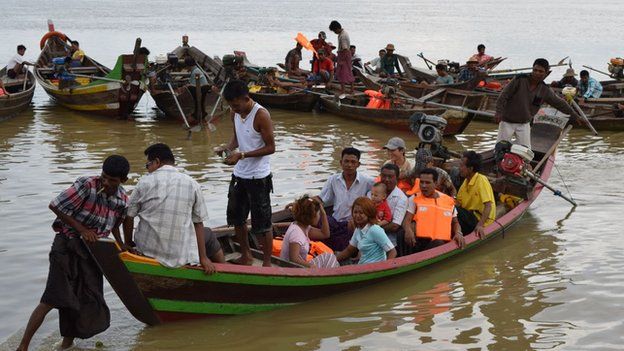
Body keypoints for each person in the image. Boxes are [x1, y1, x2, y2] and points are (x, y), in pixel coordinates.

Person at [16, 155, 130, 351]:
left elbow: (116, 225)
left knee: (80, 300)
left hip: (93, 253)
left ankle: (66, 346)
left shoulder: (123, 199)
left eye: (112, 180)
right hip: (66, 246)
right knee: (52, 298)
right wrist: (82, 230)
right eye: (104, 177)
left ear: (123, 181)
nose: (106, 183)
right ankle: (23, 347)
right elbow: (56, 205)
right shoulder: (87, 185)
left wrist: (122, 245)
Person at [123, 143, 223, 274]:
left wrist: (129, 243)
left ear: (157, 162)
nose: (147, 169)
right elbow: (198, 223)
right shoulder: (192, 184)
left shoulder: (144, 182)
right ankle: (225, 268)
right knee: (208, 233)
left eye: (148, 165)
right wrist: (203, 258)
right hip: (180, 257)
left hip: (146, 251)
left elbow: (129, 216)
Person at [215, 80, 275, 266]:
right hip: (240, 175)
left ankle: (266, 262)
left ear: (246, 98)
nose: (234, 109)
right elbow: (237, 138)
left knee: (262, 224)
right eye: (231, 106)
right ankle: (246, 256)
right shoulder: (235, 113)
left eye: (235, 105)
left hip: (259, 177)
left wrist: (241, 155)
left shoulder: (261, 115)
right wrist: (227, 148)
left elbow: (271, 147)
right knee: (237, 218)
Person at [495, 58, 581, 148]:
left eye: (541, 71)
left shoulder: (545, 90)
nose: (537, 73)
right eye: (535, 70)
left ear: (546, 73)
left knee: (525, 151)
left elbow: (560, 103)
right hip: (507, 121)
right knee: (500, 148)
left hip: (524, 124)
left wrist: (574, 115)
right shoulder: (519, 80)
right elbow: (503, 96)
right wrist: (498, 112)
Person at [315, 147, 375, 251]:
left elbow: (379, 194)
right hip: (335, 222)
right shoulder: (333, 179)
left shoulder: (368, 181)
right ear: (341, 162)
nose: (349, 165)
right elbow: (321, 198)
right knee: (318, 220)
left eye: (353, 162)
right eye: (346, 161)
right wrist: (300, 202)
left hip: (354, 224)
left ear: (358, 164)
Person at [401, 168, 465, 255]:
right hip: (419, 242)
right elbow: (407, 220)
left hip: (440, 243)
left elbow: (455, 223)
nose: (423, 186)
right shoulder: (414, 198)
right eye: (421, 182)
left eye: (427, 183)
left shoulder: (448, 200)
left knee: (438, 243)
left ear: (435, 183)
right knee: (401, 234)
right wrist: (408, 230)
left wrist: (458, 233)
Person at [281, 195, 338, 268]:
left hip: (301, 267)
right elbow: (293, 259)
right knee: (331, 261)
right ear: (311, 216)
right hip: (293, 270)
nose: (319, 216)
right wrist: (310, 265)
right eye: (318, 214)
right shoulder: (296, 233)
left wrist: (323, 214)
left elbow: (325, 234)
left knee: (329, 256)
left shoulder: (305, 227)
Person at [335, 197, 397, 264]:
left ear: (368, 213)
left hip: (375, 269)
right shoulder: (358, 229)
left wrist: (385, 269)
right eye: (355, 212)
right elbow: (349, 250)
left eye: (361, 213)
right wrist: (334, 259)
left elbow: (392, 252)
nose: (357, 216)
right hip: (362, 266)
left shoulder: (375, 229)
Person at [456, 151, 496, 238]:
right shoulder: (466, 182)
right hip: (469, 218)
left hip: (480, 219)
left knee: (454, 210)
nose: (459, 168)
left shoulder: (481, 180)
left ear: (470, 168)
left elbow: (488, 205)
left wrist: (480, 225)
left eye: (462, 166)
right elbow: (458, 203)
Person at [376, 164, 408, 245]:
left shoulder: (401, 198)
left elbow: (394, 226)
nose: (386, 179)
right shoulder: (372, 192)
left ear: (397, 178)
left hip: (389, 241)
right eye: (384, 176)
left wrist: (372, 229)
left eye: (390, 177)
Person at [329, 20, 354, 94]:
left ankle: (343, 90)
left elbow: (345, 49)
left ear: (337, 29)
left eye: (334, 31)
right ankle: (350, 90)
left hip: (344, 55)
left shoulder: (343, 36)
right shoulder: (342, 33)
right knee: (347, 72)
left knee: (343, 73)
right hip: (344, 54)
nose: (334, 32)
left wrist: (342, 60)